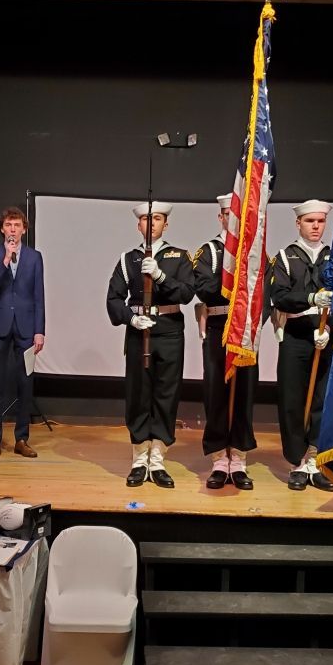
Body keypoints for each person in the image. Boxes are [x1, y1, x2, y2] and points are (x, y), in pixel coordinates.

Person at [106, 201, 195, 488]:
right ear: (138, 225)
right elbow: (113, 299)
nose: (151, 223)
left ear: (165, 225)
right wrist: (131, 319)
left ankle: (157, 459)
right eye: (146, 219)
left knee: (166, 394)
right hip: (138, 333)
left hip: (169, 333)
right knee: (138, 394)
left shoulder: (179, 257)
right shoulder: (127, 259)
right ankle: (138, 459)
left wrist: (160, 276)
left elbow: (187, 293)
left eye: (156, 218)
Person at [270, 199, 333, 492]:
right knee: (292, 399)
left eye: (320, 221)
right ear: (298, 223)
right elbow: (279, 296)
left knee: (322, 398)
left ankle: (314, 460)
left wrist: (330, 327)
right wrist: (310, 298)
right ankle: (297, 463)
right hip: (296, 334)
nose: (315, 226)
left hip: (325, 334)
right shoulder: (285, 257)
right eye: (310, 221)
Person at [193, 193, 257, 490]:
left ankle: (239, 459)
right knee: (216, 392)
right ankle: (219, 458)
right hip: (219, 327)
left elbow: (264, 292)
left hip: (245, 330)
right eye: (228, 215)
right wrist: (233, 280)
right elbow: (204, 288)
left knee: (244, 393)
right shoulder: (208, 251)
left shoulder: (253, 252)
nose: (233, 220)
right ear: (221, 217)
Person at [0, 206, 45, 460]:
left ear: (24, 230)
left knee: (25, 384)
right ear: (2, 229)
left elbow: (39, 296)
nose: (13, 229)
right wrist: (5, 260)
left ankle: (21, 439)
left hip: (26, 327)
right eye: (8, 225)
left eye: (17, 225)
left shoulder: (34, 257)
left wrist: (39, 330)